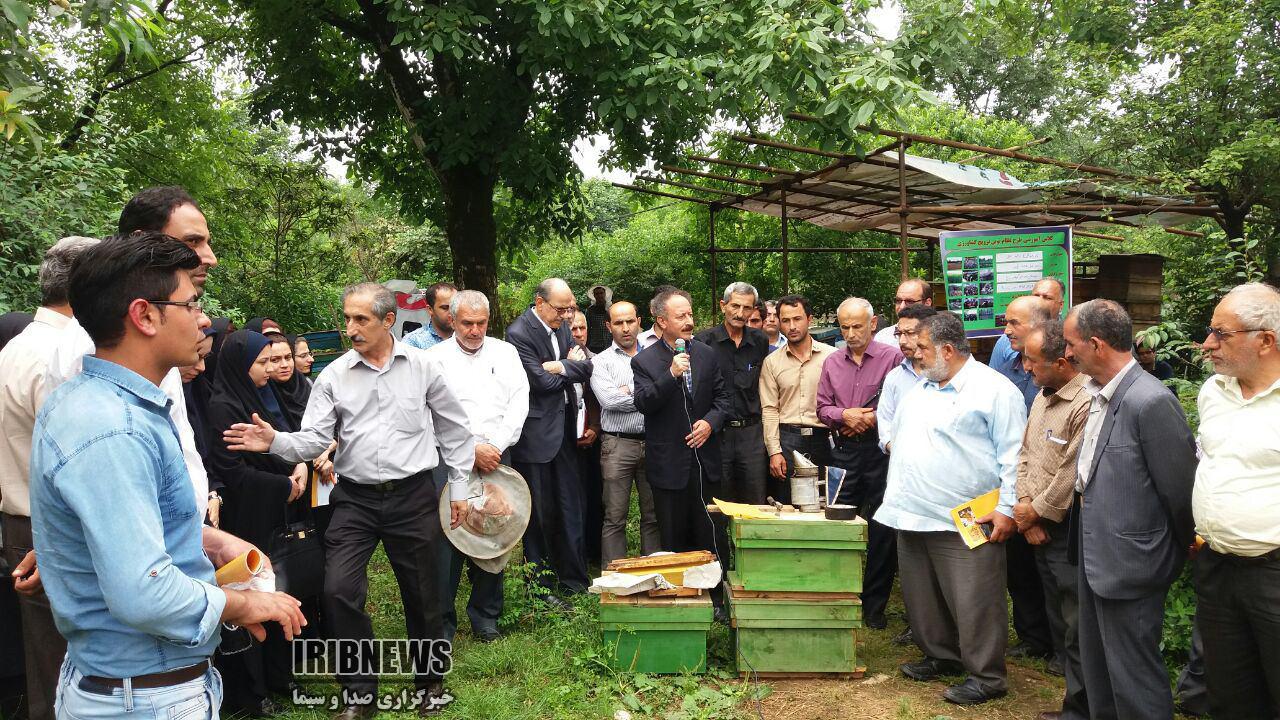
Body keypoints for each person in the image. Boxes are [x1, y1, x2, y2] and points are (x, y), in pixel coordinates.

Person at [31, 233, 305, 720]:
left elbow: (125, 525)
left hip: (137, 684)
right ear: (145, 316)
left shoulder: (102, 402)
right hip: (144, 696)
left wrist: (211, 541)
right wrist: (244, 607)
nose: (203, 320)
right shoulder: (114, 427)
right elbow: (144, 591)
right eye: (191, 303)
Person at [224, 282, 474, 718]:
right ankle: (360, 694)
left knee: (423, 594)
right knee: (337, 590)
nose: (350, 328)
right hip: (354, 500)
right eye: (346, 319)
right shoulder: (334, 375)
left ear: (387, 321)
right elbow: (314, 440)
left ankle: (429, 685)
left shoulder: (423, 367)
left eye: (361, 319)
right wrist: (273, 441)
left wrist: (460, 486)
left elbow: (454, 429)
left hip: (413, 495)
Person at [46, 187, 221, 527]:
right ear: (143, 240)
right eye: (193, 241)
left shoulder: (160, 337)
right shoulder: (89, 344)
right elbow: (104, 503)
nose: (209, 257)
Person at [876, 311, 1026, 706]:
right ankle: (942, 655)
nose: (914, 355)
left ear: (946, 349)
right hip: (912, 513)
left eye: (922, 347)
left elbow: (1015, 458)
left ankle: (987, 676)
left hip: (968, 518)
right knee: (923, 596)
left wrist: (1008, 509)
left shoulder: (994, 391)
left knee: (976, 599)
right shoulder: (921, 388)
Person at [1063, 299, 1196, 720]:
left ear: (1097, 344)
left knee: (1133, 676)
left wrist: (1167, 553)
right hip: (1095, 553)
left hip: (1132, 563)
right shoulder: (1100, 393)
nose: (1066, 353)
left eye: (1071, 344)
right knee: (1100, 668)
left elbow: (1180, 492)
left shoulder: (1149, 401)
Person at [0, 236, 98, 720]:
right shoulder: (63, 355)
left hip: (21, 523)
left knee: (46, 661)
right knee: (75, 666)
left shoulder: (17, 346)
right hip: (58, 526)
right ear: (89, 285)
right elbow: (72, 462)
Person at [207, 329, 307, 716]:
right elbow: (234, 473)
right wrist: (285, 485)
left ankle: (279, 677)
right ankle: (253, 691)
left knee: (277, 589)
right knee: (252, 600)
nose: (271, 369)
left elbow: (278, 442)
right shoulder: (223, 407)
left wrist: (297, 464)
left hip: (274, 510)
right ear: (239, 365)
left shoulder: (260, 396)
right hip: (246, 521)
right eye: (262, 362)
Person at [1192, 283, 1280, 720]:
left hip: (1274, 571)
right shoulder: (1214, 392)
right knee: (1228, 692)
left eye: (1221, 334)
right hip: (1218, 565)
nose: (1207, 344)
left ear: (1265, 340)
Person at [427, 290, 529, 644]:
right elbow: (430, 413)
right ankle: (441, 625)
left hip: (497, 455)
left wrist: (495, 447)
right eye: (467, 323)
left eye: (481, 323)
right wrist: (470, 450)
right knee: (447, 535)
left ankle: (486, 617)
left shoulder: (506, 352)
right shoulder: (433, 359)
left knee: (495, 528)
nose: (474, 330)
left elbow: (519, 402)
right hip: (451, 459)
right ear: (452, 321)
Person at [1013, 321, 1091, 720]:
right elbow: (1025, 455)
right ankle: (1067, 679)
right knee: (1053, 605)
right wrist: (1026, 510)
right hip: (1035, 520)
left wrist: (1036, 512)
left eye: (1033, 360)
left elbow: (1071, 472)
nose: (1025, 367)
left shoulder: (1085, 404)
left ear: (1062, 362)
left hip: (1065, 526)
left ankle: (1080, 697)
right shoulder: (1042, 397)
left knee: (1075, 613)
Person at [816, 298, 903, 630]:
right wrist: (845, 415)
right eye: (844, 327)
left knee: (882, 528)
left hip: (881, 452)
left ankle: (874, 606)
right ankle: (838, 597)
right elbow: (823, 408)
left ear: (873, 323)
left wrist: (870, 417)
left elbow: (900, 403)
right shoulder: (832, 362)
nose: (850, 333)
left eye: (857, 326)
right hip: (843, 451)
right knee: (838, 525)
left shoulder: (892, 358)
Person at [505, 278, 593, 604]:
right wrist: (571, 367)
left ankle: (574, 581)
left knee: (571, 507)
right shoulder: (519, 333)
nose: (567, 315)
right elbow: (539, 383)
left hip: (566, 435)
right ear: (539, 303)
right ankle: (541, 589)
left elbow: (588, 366)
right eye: (561, 309)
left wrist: (560, 366)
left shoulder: (563, 326)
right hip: (535, 439)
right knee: (539, 515)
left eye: (570, 308)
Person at [631, 288, 731, 562]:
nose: (689, 321)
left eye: (690, 314)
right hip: (669, 467)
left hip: (706, 463)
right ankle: (681, 600)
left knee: (711, 536)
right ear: (662, 321)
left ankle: (715, 599)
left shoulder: (707, 354)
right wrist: (671, 374)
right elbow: (643, 403)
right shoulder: (644, 361)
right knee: (674, 541)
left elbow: (723, 399)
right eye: (681, 316)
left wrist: (710, 423)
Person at [986, 295, 1056, 662]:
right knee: (1019, 569)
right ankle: (1032, 637)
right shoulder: (1004, 356)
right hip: (1016, 481)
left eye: (1014, 323)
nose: (1006, 329)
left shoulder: (1059, 375)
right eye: (1006, 322)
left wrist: (1033, 508)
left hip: (1048, 490)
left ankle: (1059, 645)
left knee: (1051, 573)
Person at [590, 301, 662, 565]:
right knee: (615, 516)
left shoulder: (656, 354)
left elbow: (666, 392)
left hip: (654, 441)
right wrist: (647, 393)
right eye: (618, 323)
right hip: (617, 444)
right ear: (609, 326)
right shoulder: (601, 362)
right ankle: (614, 577)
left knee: (653, 514)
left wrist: (628, 391)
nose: (625, 328)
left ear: (639, 321)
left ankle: (654, 572)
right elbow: (609, 401)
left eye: (630, 321)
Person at [695, 282, 769, 505]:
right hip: (718, 433)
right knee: (717, 502)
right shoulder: (703, 341)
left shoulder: (759, 341)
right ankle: (719, 542)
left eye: (747, 308)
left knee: (755, 500)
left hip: (751, 433)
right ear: (723, 305)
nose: (740, 313)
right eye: (735, 306)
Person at [759, 295, 837, 504]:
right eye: (786, 321)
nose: (792, 326)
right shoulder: (772, 362)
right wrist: (774, 452)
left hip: (823, 438)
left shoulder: (832, 357)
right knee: (786, 506)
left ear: (809, 319)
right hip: (787, 439)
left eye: (797, 319)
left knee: (824, 504)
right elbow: (769, 409)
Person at [876, 304, 936, 454]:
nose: (902, 341)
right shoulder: (894, 378)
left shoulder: (947, 375)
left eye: (910, 333)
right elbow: (885, 424)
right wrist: (897, 448)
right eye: (899, 333)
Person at [569, 311, 603, 567]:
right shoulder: (559, 361)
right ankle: (574, 554)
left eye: (582, 328)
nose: (579, 333)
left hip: (594, 439)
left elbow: (600, 400)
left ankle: (594, 552)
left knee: (595, 496)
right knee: (572, 498)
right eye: (573, 329)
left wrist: (596, 427)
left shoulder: (597, 360)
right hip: (565, 443)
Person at [872, 278, 934, 346]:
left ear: (927, 303)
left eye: (910, 301)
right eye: (898, 301)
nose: (902, 306)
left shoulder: (940, 336)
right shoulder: (884, 338)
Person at [403, 282, 456, 350]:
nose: (452, 312)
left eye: (455, 307)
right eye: (445, 308)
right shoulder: (414, 341)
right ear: (430, 310)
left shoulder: (469, 337)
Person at [584, 284, 613, 353]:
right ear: (594, 295)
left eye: (601, 293)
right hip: (595, 345)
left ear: (605, 294)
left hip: (611, 343)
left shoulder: (611, 308)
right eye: (597, 293)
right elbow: (587, 327)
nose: (599, 295)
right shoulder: (590, 310)